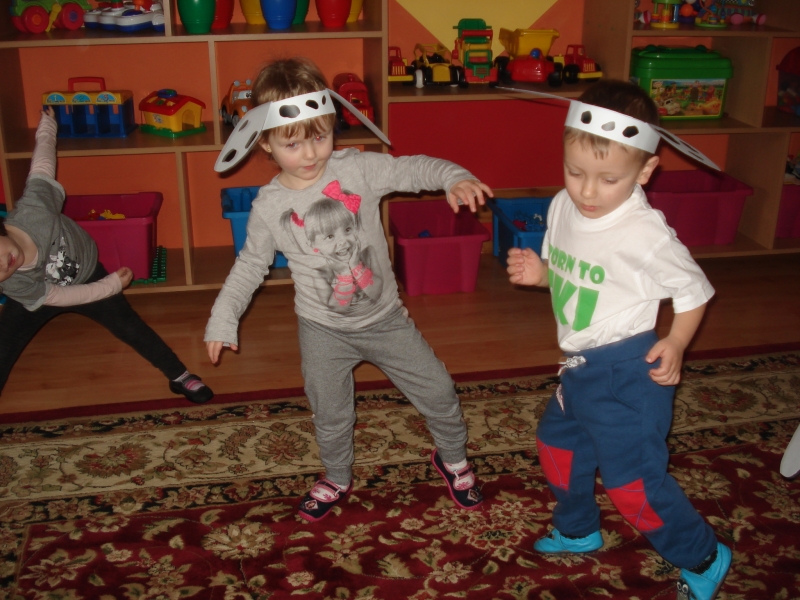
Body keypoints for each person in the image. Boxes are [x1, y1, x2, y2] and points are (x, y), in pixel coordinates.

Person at [205, 57, 492, 522]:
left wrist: (452, 176)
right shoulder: (269, 206)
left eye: (320, 136)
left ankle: (454, 459)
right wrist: (223, 317)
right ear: (266, 143)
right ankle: (337, 476)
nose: (311, 153)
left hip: (386, 320)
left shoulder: (356, 169)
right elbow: (250, 265)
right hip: (322, 329)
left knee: (439, 390)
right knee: (331, 412)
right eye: (293, 143)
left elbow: (412, 169)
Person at [506, 80, 731, 600]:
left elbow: (694, 291)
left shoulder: (645, 233)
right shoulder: (564, 206)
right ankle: (578, 530)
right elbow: (572, 276)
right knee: (558, 447)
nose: (587, 191)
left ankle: (703, 554)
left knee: (633, 486)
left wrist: (677, 341)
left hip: (629, 373)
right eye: (575, 171)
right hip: (580, 367)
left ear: (645, 171)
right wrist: (541, 275)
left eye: (608, 179)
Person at [0, 107, 213, 405]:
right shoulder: (13, 284)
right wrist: (111, 285)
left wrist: (47, 125)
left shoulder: (34, 210)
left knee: (130, 327)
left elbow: (42, 164)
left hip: (87, 272)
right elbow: (61, 296)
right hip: (46, 293)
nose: (2, 266)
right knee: (4, 346)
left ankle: (179, 375)